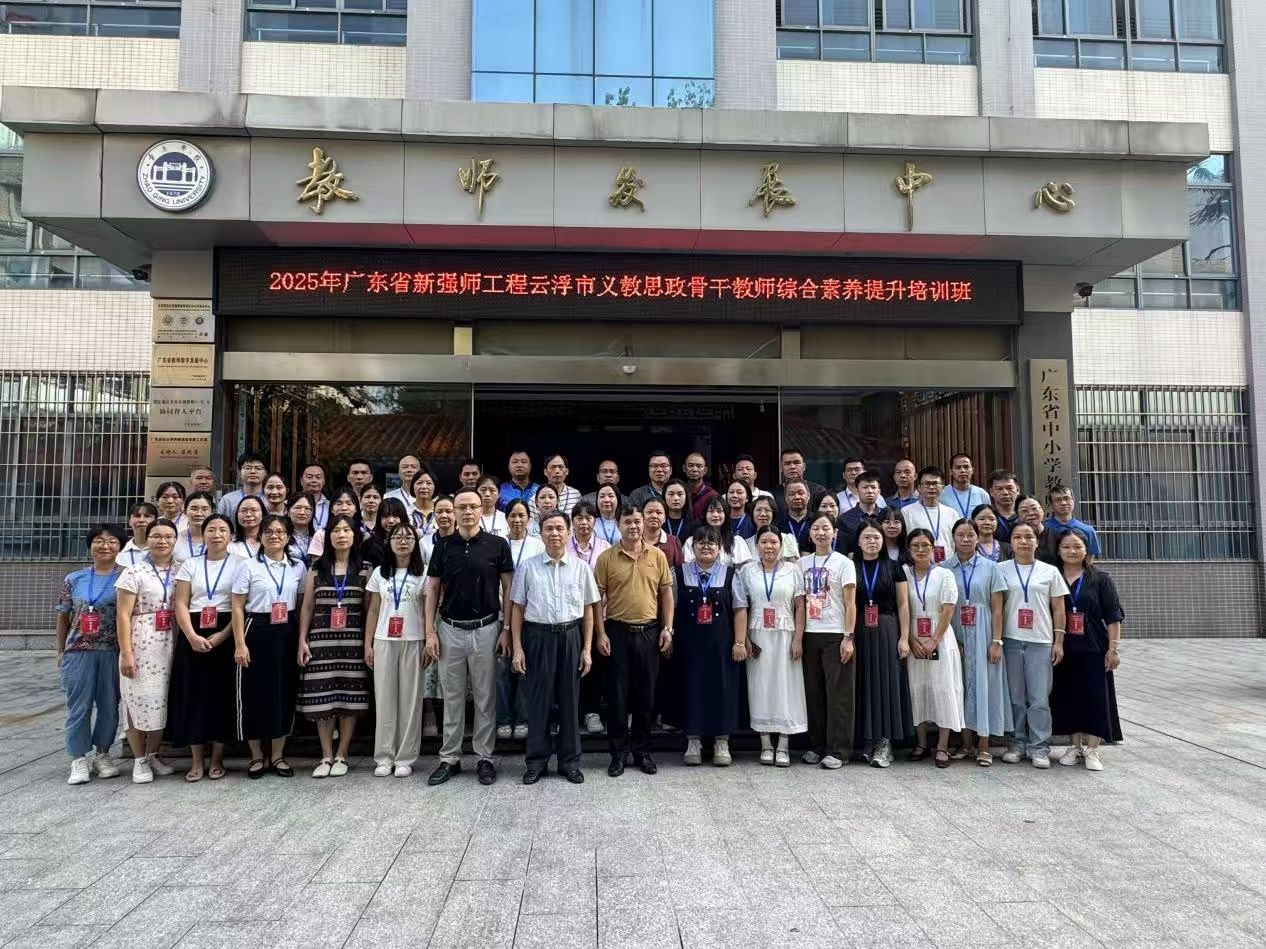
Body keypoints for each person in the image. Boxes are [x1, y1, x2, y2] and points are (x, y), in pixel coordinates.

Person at [424, 488, 515, 786]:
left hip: (487, 628)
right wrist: (430, 631)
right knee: (452, 697)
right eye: (461, 507)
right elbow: (432, 589)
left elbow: (509, 588)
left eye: (472, 506)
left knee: (485, 697)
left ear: (481, 509)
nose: (467, 512)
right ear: (453, 511)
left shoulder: (497, 545)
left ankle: (484, 757)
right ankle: (450, 758)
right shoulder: (443, 546)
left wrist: (507, 629)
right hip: (450, 628)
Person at [510, 510, 600, 784]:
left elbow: (589, 610)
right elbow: (517, 608)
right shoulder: (527, 567)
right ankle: (536, 761)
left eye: (560, 528)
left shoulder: (581, 568)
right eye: (549, 528)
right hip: (538, 636)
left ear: (569, 532)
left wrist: (587, 649)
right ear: (541, 533)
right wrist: (517, 647)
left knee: (570, 700)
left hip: (570, 635)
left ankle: (569, 761)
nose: (555, 533)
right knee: (539, 701)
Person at [594, 503, 673, 777]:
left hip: (649, 632)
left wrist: (668, 628)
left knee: (646, 695)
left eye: (637, 521)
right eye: (627, 522)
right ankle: (617, 753)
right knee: (617, 696)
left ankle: (642, 751)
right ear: (618, 525)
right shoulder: (606, 558)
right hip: (617, 632)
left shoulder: (657, 556)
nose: (634, 526)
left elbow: (666, 594)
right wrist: (600, 633)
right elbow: (596, 600)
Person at [231, 513, 306, 778]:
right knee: (254, 692)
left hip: (287, 631)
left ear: (288, 537)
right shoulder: (248, 566)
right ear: (260, 536)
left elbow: (302, 603)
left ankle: (277, 755)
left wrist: (301, 639)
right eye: (269, 532)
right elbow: (237, 607)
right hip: (257, 629)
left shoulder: (298, 567)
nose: (275, 536)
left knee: (283, 691)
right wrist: (240, 644)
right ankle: (256, 756)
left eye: (280, 532)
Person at [666, 525, 747, 767]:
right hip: (688, 644)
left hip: (722, 646)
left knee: (723, 689)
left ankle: (722, 741)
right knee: (692, 688)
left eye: (712, 542)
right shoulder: (678, 572)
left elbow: (740, 609)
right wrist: (668, 633)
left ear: (719, 548)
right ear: (692, 547)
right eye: (700, 542)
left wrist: (739, 642)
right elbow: (670, 606)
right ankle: (693, 740)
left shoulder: (730, 574)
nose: (706, 546)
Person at [298, 514, 370, 778]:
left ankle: (342, 754)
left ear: (355, 536)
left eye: (347, 530)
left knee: (349, 699)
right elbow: (307, 607)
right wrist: (302, 640)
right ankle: (326, 754)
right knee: (323, 700)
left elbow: (368, 611)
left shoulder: (365, 569)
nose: (341, 535)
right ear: (328, 536)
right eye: (336, 530)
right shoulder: (317, 569)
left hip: (353, 642)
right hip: (321, 641)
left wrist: (368, 644)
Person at [169, 512, 240, 781]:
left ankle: (218, 758)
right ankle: (196, 759)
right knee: (194, 694)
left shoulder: (241, 565)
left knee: (222, 695)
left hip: (227, 629)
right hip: (193, 631)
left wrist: (223, 635)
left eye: (222, 530)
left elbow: (240, 606)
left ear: (231, 535)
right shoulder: (190, 564)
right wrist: (190, 635)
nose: (217, 534)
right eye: (212, 529)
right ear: (204, 533)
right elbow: (181, 602)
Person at [55, 523, 127, 785]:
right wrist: (60, 650)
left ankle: (103, 755)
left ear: (120, 547)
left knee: (109, 706)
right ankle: (78, 759)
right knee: (79, 706)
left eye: (112, 541)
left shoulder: (127, 576)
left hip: (113, 651)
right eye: (99, 541)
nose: (105, 546)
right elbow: (63, 616)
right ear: (90, 545)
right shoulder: (74, 578)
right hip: (78, 650)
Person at [1051, 529, 1123, 772]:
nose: (1072, 551)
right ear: (1058, 550)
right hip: (1063, 646)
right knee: (1069, 696)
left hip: (1094, 646)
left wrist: (1113, 649)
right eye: (1066, 547)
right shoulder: (1053, 575)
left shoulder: (1100, 578)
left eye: (1077, 547)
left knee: (1096, 696)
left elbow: (1113, 617)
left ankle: (1093, 748)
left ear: (1086, 550)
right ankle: (1075, 746)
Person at [115, 517, 180, 784]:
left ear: (176, 540)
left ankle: (153, 754)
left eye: (168, 536)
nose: (162, 541)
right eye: (156, 536)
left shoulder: (181, 570)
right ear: (147, 539)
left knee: (161, 700)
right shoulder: (133, 572)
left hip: (171, 641)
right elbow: (122, 615)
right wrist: (127, 653)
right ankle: (139, 759)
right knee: (137, 700)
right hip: (141, 640)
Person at [736, 525, 807, 767]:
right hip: (757, 635)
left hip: (785, 635)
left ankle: (784, 745)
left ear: (781, 545)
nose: (769, 546)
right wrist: (745, 639)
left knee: (786, 687)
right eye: (764, 542)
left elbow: (800, 606)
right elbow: (742, 607)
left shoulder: (793, 571)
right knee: (760, 687)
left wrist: (798, 639)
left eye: (773, 542)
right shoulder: (747, 572)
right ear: (756, 546)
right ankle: (765, 744)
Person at [1000, 523, 1069, 769]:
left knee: (1039, 698)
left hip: (1040, 641)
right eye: (1017, 537)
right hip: (1010, 639)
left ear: (1036, 541)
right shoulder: (1000, 569)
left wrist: (1058, 641)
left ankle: (1039, 746)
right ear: (1011, 542)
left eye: (1028, 536)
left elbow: (1059, 608)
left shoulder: (1050, 571)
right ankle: (1016, 743)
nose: (1023, 541)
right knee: (1015, 697)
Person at [364, 523, 428, 777]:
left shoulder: (424, 573)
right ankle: (384, 756)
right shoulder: (380, 572)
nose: (403, 541)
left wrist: (429, 639)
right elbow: (373, 610)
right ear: (389, 542)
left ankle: (405, 756)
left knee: (410, 701)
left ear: (415, 543)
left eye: (408, 537)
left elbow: (428, 610)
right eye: (397, 537)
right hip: (383, 640)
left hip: (414, 639)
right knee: (385, 699)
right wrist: (368, 643)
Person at [946, 518, 1010, 766]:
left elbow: (997, 608)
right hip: (955, 631)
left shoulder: (991, 568)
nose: (965, 539)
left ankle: (984, 744)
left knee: (984, 686)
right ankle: (965, 743)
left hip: (983, 631)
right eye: (960, 535)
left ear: (977, 537)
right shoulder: (944, 568)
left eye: (970, 535)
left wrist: (996, 641)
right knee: (959, 686)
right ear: (953, 538)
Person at [798, 513, 857, 770]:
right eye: (816, 528)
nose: (821, 533)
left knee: (839, 694)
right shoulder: (801, 563)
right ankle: (816, 745)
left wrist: (848, 637)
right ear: (810, 534)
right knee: (813, 693)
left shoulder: (844, 563)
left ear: (835, 533)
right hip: (810, 633)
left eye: (826, 528)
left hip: (836, 633)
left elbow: (850, 603)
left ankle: (839, 750)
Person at [853, 520, 913, 768]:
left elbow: (903, 604)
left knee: (885, 683)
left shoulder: (894, 566)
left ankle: (885, 742)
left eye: (876, 537)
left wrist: (904, 637)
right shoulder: (851, 566)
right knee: (863, 682)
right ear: (858, 542)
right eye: (867, 537)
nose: (872, 542)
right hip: (858, 628)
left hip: (887, 628)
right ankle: (866, 740)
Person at [903, 528, 964, 768]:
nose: (920, 550)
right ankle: (921, 743)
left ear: (933, 548)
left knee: (943, 688)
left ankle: (942, 745)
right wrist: (911, 639)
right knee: (916, 688)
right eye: (915, 546)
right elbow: (901, 608)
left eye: (925, 546)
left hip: (940, 637)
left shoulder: (944, 574)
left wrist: (934, 640)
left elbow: (948, 610)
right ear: (909, 549)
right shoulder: (904, 573)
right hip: (913, 638)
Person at [900, 466, 958, 563]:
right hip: (919, 566)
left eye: (935, 483)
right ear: (919, 488)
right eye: (927, 484)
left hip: (948, 566)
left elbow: (956, 542)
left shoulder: (952, 513)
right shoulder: (907, 512)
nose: (931, 487)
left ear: (942, 488)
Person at [684, 495, 752, 567]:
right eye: (711, 511)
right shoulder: (691, 541)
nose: (715, 515)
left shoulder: (736, 541)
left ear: (726, 514)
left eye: (719, 511)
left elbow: (745, 569)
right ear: (705, 514)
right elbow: (688, 568)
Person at [1045, 485, 1102, 559]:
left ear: (1073, 500)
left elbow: (1089, 557)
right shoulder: (1043, 528)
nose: (1063, 503)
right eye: (1058, 500)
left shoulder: (1088, 530)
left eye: (1067, 498)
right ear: (1051, 504)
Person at [836, 470, 883, 556]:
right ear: (857, 490)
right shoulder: (844, 519)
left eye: (873, 487)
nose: (870, 491)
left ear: (879, 491)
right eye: (865, 487)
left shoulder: (885, 516)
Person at [307, 488, 360, 559]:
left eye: (349, 504)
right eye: (339, 504)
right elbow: (315, 563)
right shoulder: (321, 534)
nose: (344, 508)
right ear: (332, 509)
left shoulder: (363, 534)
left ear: (356, 508)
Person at [216, 451, 267, 520]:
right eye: (248, 468)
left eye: (258, 468)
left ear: (265, 473)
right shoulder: (228, 500)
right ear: (239, 472)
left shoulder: (270, 499)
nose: (253, 471)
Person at [530, 454, 581, 519]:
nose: (557, 471)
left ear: (567, 471)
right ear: (545, 472)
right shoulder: (535, 499)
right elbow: (531, 523)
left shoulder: (576, 495)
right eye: (553, 467)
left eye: (561, 467)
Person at [751, 496, 800, 562]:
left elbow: (795, 566)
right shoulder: (747, 543)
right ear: (752, 513)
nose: (762, 514)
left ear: (773, 514)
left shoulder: (786, 539)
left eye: (767, 510)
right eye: (758, 510)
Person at [363, 497, 408, 568]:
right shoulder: (368, 545)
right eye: (386, 516)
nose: (391, 521)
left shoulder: (411, 542)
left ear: (403, 518)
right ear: (379, 519)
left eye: (395, 516)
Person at [944, 453, 991, 521]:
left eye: (966, 467)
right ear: (951, 471)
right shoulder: (942, 494)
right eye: (958, 467)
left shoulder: (982, 494)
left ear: (972, 470)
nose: (962, 470)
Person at [173, 491, 214, 567]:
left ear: (212, 512)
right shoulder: (175, 539)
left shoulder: (218, 539)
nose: (199, 513)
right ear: (185, 511)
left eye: (204, 509)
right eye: (194, 509)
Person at [641, 498, 685, 568]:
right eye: (649, 512)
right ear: (642, 516)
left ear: (665, 518)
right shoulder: (634, 540)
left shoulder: (674, 542)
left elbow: (679, 570)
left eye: (659, 513)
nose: (654, 516)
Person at [1017, 495, 1061, 565]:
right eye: (1024, 510)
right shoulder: (1015, 538)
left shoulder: (1057, 537)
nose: (1030, 513)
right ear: (1018, 515)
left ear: (1042, 511)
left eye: (1034, 508)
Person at [778, 479, 814, 552]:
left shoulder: (816, 521)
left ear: (808, 496)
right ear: (785, 498)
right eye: (791, 494)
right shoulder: (777, 523)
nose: (797, 497)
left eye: (800, 493)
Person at [683, 451, 720, 521]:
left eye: (699, 466)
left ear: (705, 470)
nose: (694, 469)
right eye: (690, 465)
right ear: (684, 468)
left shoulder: (712, 495)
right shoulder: (679, 493)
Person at [118, 502, 157, 568]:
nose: (141, 520)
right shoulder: (120, 551)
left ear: (155, 521)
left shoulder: (164, 548)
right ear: (129, 521)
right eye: (137, 516)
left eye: (147, 516)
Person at [987, 469, 1021, 542]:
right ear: (991, 492)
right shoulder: (987, 519)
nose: (1005, 492)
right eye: (999, 489)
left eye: (1009, 488)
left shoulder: (1025, 516)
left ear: (1018, 490)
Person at [421, 495, 457, 563]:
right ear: (434, 514)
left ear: (456, 513)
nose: (443, 516)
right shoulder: (424, 542)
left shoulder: (465, 541)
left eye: (448, 511)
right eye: (439, 512)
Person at [229, 495, 265, 560]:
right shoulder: (229, 541)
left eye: (254, 510)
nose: (248, 514)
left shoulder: (272, 539)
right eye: (244, 510)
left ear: (263, 514)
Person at [286, 493, 316, 562]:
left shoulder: (318, 536)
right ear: (288, 512)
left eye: (307, 509)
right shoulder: (282, 536)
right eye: (298, 508)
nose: (302, 512)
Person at [300, 463, 330, 530]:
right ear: (301, 481)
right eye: (309, 477)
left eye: (318, 477)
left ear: (324, 481)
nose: (314, 480)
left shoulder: (330, 506)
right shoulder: (289, 504)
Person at [410, 468, 438, 536]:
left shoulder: (442, 511)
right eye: (419, 483)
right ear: (412, 486)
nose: (424, 487)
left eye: (429, 483)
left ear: (435, 487)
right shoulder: (406, 512)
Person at [662, 479, 692, 543]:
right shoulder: (659, 522)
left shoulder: (694, 524)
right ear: (664, 496)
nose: (676, 498)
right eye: (671, 494)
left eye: (680, 494)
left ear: (686, 497)